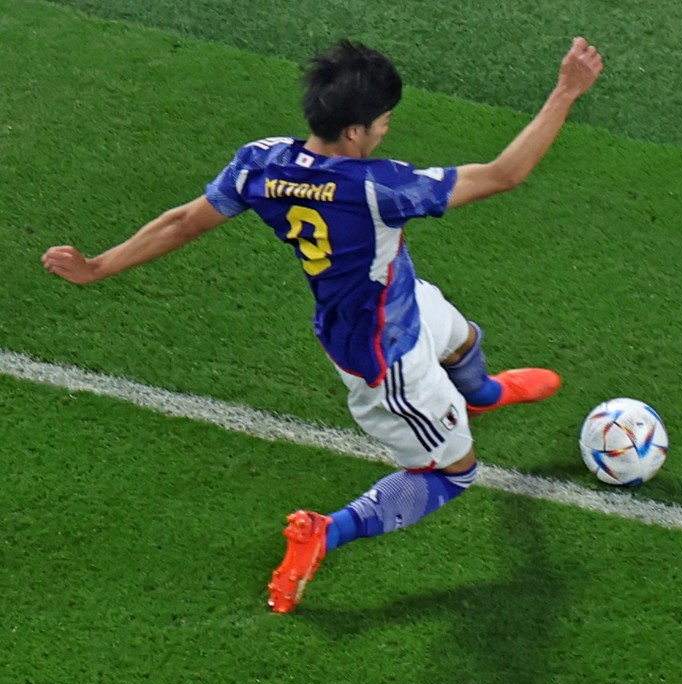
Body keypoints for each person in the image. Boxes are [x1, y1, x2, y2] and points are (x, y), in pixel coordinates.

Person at [42, 37, 605, 613]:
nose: (387, 130)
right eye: (384, 121)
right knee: (452, 474)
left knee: (463, 340)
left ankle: (482, 395)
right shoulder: (378, 189)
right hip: (389, 361)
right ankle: (324, 531)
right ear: (356, 131)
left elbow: (185, 221)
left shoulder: (261, 164)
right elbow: (505, 174)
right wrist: (566, 91)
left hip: (397, 300)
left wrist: (98, 267)